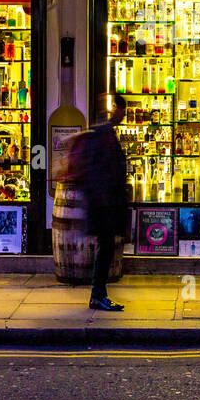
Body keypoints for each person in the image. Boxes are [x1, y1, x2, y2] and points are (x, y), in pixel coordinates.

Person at [73, 93, 128, 312]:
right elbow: (101, 172)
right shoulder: (101, 135)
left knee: (105, 247)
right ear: (112, 110)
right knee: (105, 247)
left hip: (103, 201)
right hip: (102, 203)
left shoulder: (101, 133)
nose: (122, 116)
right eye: (120, 111)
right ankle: (98, 295)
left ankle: (99, 294)